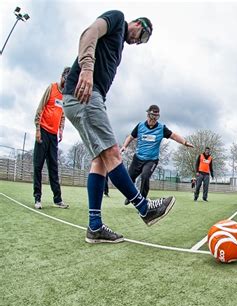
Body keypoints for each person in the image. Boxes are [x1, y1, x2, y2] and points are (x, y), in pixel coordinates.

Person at [63, 10, 177, 244]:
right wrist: (86, 67)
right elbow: (90, 32)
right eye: (141, 35)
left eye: (143, 41)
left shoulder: (119, 47)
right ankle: (145, 208)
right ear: (136, 23)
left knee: (100, 161)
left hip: (88, 99)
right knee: (112, 153)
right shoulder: (117, 18)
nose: (138, 41)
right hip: (85, 96)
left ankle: (95, 227)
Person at [121, 104, 194, 204]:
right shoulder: (140, 126)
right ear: (148, 115)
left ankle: (141, 202)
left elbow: (174, 136)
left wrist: (185, 142)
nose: (154, 119)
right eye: (152, 116)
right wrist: (124, 146)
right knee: (129, 178)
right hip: (138, 158)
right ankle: (130, 196)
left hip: (151, 160)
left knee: (145, 176)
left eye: (156, 117)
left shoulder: (161, 128)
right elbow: (130, 137)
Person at [33, 67, 71, 210]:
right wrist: (37, 128)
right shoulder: (51, 88)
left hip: (53, 135)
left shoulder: (65, 96)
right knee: (38, 165)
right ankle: (37, 197)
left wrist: (61, 129)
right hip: (42, 131)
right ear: (62, 77)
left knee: (53, 167)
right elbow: (40, 107)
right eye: (65, 81)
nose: (65, 85)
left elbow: (62, 114)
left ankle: (57, 199)